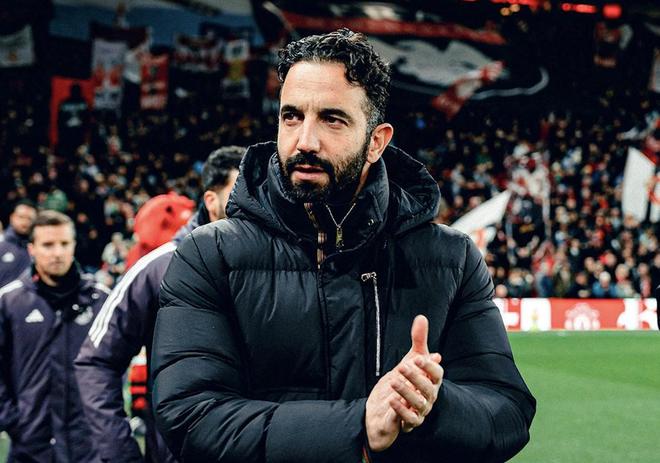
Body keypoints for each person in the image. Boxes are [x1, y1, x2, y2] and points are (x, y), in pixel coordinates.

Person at [151, 29, 535, 462]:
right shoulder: (209, 256)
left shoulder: (451, 259)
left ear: (376, 141)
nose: (305, 141)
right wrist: (359, 427)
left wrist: (430, 404)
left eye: (332, 119)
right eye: (291, 116)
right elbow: (191, 417)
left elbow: (509, 414)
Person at [75, 146, 243, 463]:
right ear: (211, 201)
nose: (252, 201)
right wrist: (121, 455)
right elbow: (95, 362)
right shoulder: (157, 268)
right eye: (240, 191)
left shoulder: (281, 263)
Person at [0, 210, 110, 462]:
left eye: (64, 243)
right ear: (32, 249)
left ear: (74, 246)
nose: (57, 252)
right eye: (48, 245)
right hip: (30, 445)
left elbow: (116, 365)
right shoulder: (9, 302)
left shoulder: (100, 300)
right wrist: (12, 420)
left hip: (88, 445)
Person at [0, 200, 38, 287]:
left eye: (30, 218)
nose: (25, 222)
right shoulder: (1, 243)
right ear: (12, 217)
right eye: (21, 217)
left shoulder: (38, 249)